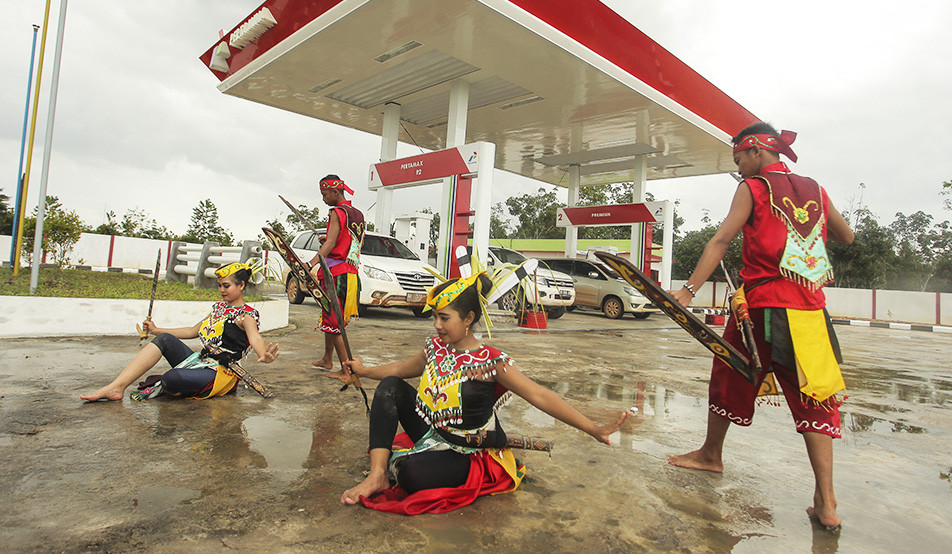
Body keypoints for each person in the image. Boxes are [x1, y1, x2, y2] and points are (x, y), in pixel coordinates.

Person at [666, 122, 855, 530]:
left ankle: (711, 456)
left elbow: (720, 240)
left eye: (739, 160)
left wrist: (688, 290)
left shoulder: (754, 188)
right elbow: (846, 236)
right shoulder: (816, 189)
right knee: (816, 398)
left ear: (756, 151)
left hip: (760, 307)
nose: (740, 169)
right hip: (809, 311)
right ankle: (826, 501)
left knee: (730, 372)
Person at [339, 272, 632, 514]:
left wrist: (593, 428)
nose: (437, 325)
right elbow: (402, 368)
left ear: (468, 318)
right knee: (389, 387)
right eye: (435, 318)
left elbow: (540, 395)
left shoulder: (492, 361)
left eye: (444, 318)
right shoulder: (434, 348)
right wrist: (363, 370)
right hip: (434, 433)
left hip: (469, 449)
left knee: (410, 475)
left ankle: (406, 470)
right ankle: (378, 475)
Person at [80, 260, 279, 402]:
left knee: (170, 379)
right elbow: (194, 330)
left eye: (226, 286)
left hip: (221, 373)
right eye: (219, 286)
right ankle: (117, 387)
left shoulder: (246, 315)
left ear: (242, 285)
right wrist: (157, 330)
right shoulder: (219, 308)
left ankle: (181, 385)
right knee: (165, 340)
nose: (221, 290)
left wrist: (264, 354)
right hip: (200, 362)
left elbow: (255, 338)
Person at [307, 174, 364, 379]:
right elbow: (350, 242)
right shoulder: (356, 214)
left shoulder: (337, 212)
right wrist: (331, 239)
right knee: (330, 317)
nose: (323, 199)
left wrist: (310, 264)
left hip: (336, 274)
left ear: (334, 192)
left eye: (324, 194)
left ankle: (346, 370)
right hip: (350, 274)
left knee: (335, 322)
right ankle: (327, 359)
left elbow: (330, 244)